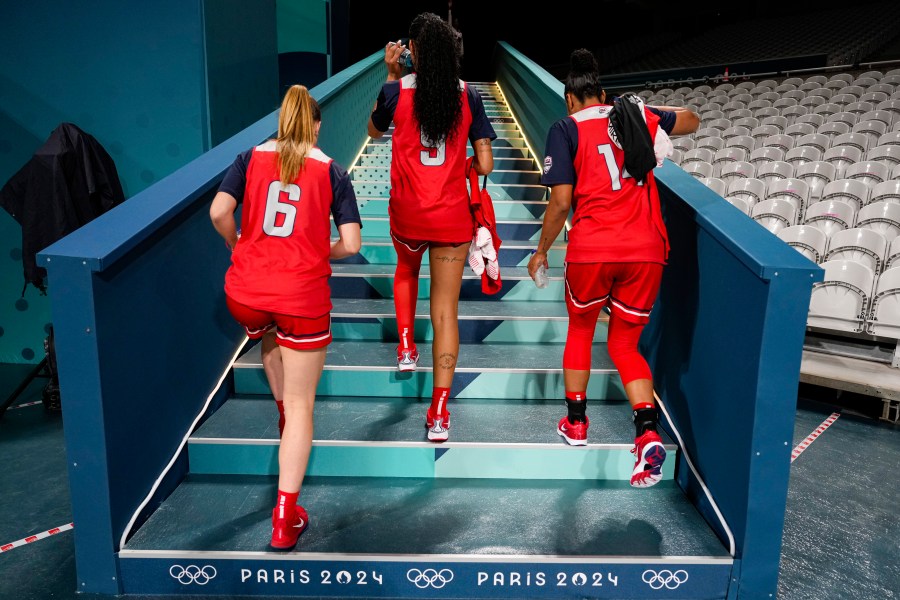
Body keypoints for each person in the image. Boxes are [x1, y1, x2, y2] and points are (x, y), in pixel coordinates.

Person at [527, 49, 699, 488]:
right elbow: (693, 119)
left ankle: (577, 424)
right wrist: (648, 110)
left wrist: (542, 250)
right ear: (603, 94)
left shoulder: (564, 128)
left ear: (569, 98)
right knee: (625, 343)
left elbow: (561, 201)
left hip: (593, 247)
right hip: (646, 248)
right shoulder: (634, 114)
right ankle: (646, 434)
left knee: (581, 330)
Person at [210, 85, 362, 549]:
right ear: (315, 126)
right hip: (300, 293)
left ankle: (280, 414)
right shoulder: (330, 170)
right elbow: (353, 245)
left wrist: (241, 248)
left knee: (268, 335)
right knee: (303, 408)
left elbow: (219, 212)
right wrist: (321, 253)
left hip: (246, 292)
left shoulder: (249, 157)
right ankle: (284, 519)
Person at [367, 12, 495, 442]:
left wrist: (389, 72)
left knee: (406, 271)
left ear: (414, 52)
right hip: (451, 217)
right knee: (445, 312)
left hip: (408, 212)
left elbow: (372, 131)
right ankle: (439, 413)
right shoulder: (468, 94)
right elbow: (486, 164)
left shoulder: (396, 90)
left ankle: (406, 346)